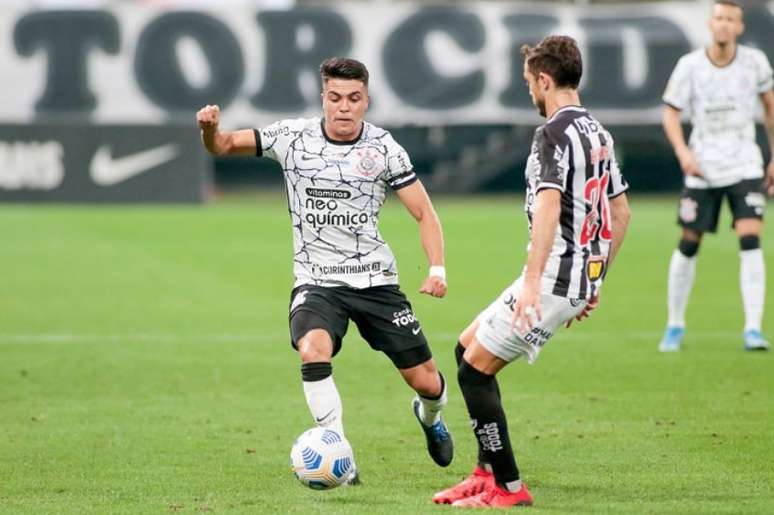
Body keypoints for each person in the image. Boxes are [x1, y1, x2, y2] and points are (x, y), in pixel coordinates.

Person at [196, 57, 453, 482]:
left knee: (426, 382)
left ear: (366, 101)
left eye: (354, 99)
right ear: (323, 99)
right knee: (313, 349)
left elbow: (424, 213)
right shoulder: (291, 137)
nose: (344, 107)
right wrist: (208, 130)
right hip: (317, 281)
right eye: (335, 98)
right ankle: (339, 454)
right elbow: (223, 145)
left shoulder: (383, 148)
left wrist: (437, 269)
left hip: (376, 282)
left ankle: (431, 419)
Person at [432, 35, 631, 508]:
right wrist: (595, 281)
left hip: (550, 282)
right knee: (464, 349)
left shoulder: (552, 135)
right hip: (573, 278)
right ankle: (483, 472)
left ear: (545, 79)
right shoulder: (599, 134)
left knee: (475, 374)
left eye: (529, 84)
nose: (530, 93)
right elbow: (620, 214)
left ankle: (509, 487)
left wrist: (532, 285)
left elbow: (548, 208)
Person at [659, 0, 774, 352]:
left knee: (750, 237)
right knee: (689, 241)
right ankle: (675, 324)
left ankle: (753, 328)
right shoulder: (690, 66)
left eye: (731, 20)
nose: (724, 25)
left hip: (744, 163)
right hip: (703, 167)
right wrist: (683, 152)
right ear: (710, 24)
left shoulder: (754, 63)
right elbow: (671, 113)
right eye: (719, 18)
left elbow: (770, 107)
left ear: (739, 27)